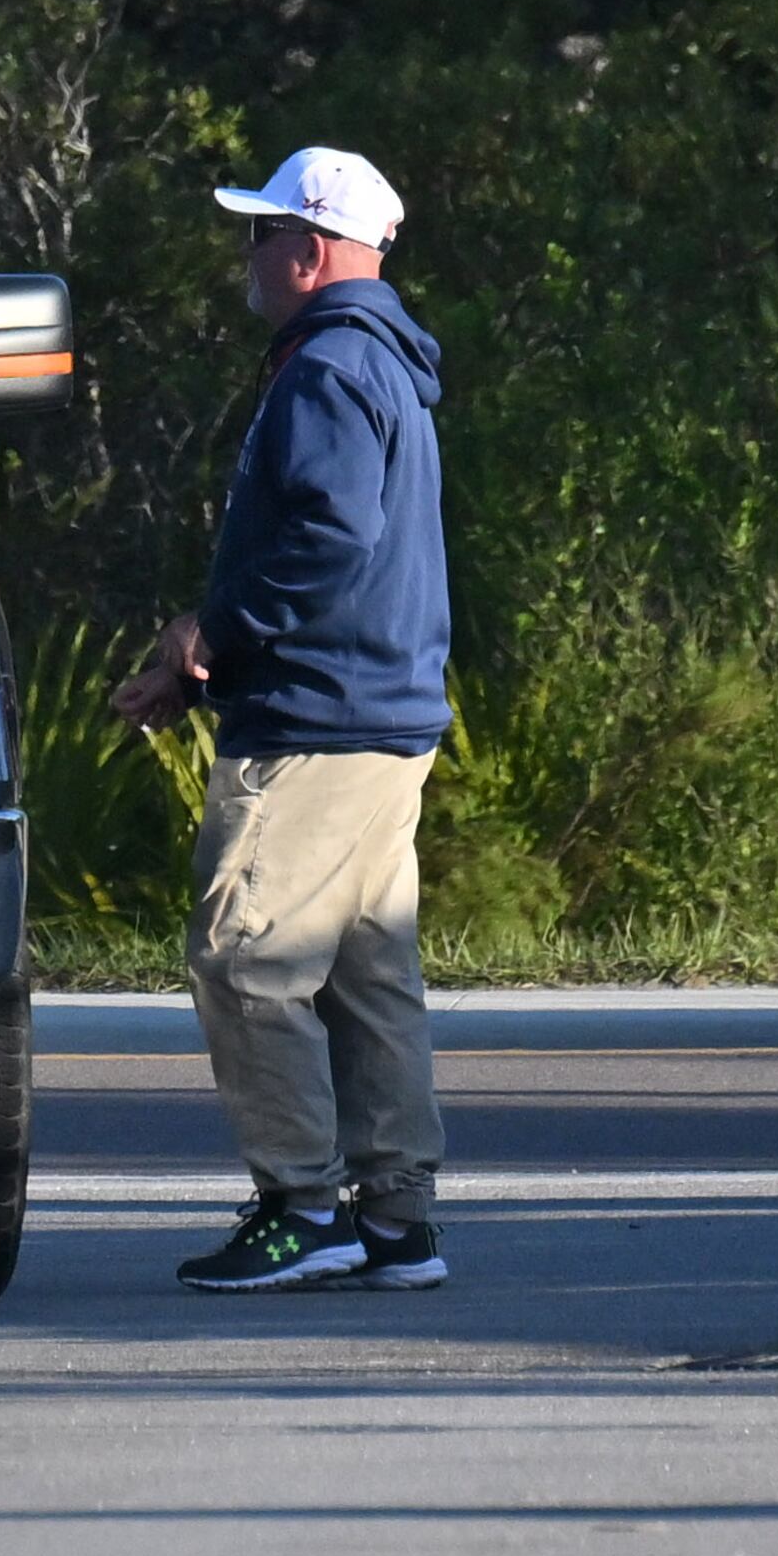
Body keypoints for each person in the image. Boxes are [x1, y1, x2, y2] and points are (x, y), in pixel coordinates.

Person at [110, 143, 454, 1294]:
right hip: (382, 714)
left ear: (308, 249)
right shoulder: (386, 363)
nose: (248, 255)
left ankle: (301, 1204)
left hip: (315, 718)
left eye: (259, 233)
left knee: (244, 955)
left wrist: (217, 633)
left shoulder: (325, 370)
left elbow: (323, 537)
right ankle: (398, 1216)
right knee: (365, 974)